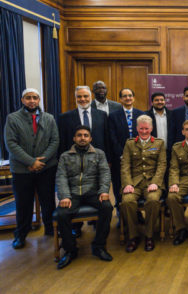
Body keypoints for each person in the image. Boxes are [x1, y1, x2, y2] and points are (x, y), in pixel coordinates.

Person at [4, 88, 59, 249]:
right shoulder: (12, 119)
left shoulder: (49, 118)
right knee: (23, 203)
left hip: (46, 167)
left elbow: (55, 141)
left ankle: (50, 229)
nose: (32, 101)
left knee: (48, 201)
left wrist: (42, 160)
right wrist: (30, 161)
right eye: (28, 98)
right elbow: (11, 144)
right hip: (22, 169)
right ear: (23, 100)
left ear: (39, 99)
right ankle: (21, 234)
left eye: (35, 98)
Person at [55, 125, 113, 269]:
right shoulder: (65, 156)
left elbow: (105, 174)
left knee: (107, 208)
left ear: (90, 138)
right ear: (74, 138)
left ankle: (99, 246)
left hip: (92, 192)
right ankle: (70, 250)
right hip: (72, 194)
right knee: (62, 214)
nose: (82, 138)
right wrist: (64, 196)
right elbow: (61, 177)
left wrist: (104, 191)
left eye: (86, 135)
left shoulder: (99, 154)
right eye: (79, 135)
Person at [121, 115, 167, 252]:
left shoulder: (159, 143)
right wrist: (127, 184)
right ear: (137, 128)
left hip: (152, 182)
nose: (144, 131)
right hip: (134, 183)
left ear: (151, 128)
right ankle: (133, 236)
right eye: (141, 128)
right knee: (127, 201)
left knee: (153, 200)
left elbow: (162, 165)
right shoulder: (129, 143)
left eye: (147, 128)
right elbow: (125, 166)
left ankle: (149, 235)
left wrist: (156, 183)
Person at [108, 88, 144, 212]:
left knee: (136, 186)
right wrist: (121, 154)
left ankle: (137, 214)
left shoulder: (141, 114)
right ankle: (120, 214)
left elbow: (146, 135)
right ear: (120, 99)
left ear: (133, 98)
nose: (128, 98)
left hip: (139, 158)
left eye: (130, 95)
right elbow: (112, 137)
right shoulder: (113, 116)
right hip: (119, 157)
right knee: (119, 185)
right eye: (125, 96)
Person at [58, 86, 110, 159]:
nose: (82, 99)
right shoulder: (65, 117)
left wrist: (108, 159)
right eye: (79, 96)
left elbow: (107, 139)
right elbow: (63, 142)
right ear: (75, 98)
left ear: (91, 97)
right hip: (74, 160)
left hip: (98, 159)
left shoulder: (102, 115)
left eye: (85, 96)